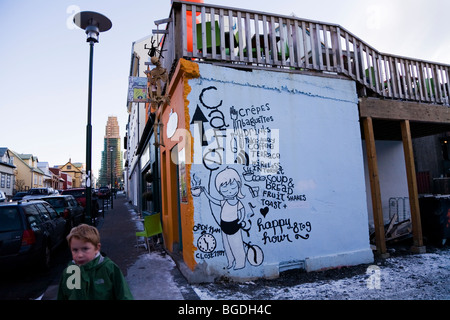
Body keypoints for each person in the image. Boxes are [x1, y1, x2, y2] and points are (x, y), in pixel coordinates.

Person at [57, 224, 134, 300]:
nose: (79, 255)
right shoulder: (69, 273)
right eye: (75, 250)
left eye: (85, 249)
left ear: (97, 248)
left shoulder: (109, 269)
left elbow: (124, 296)